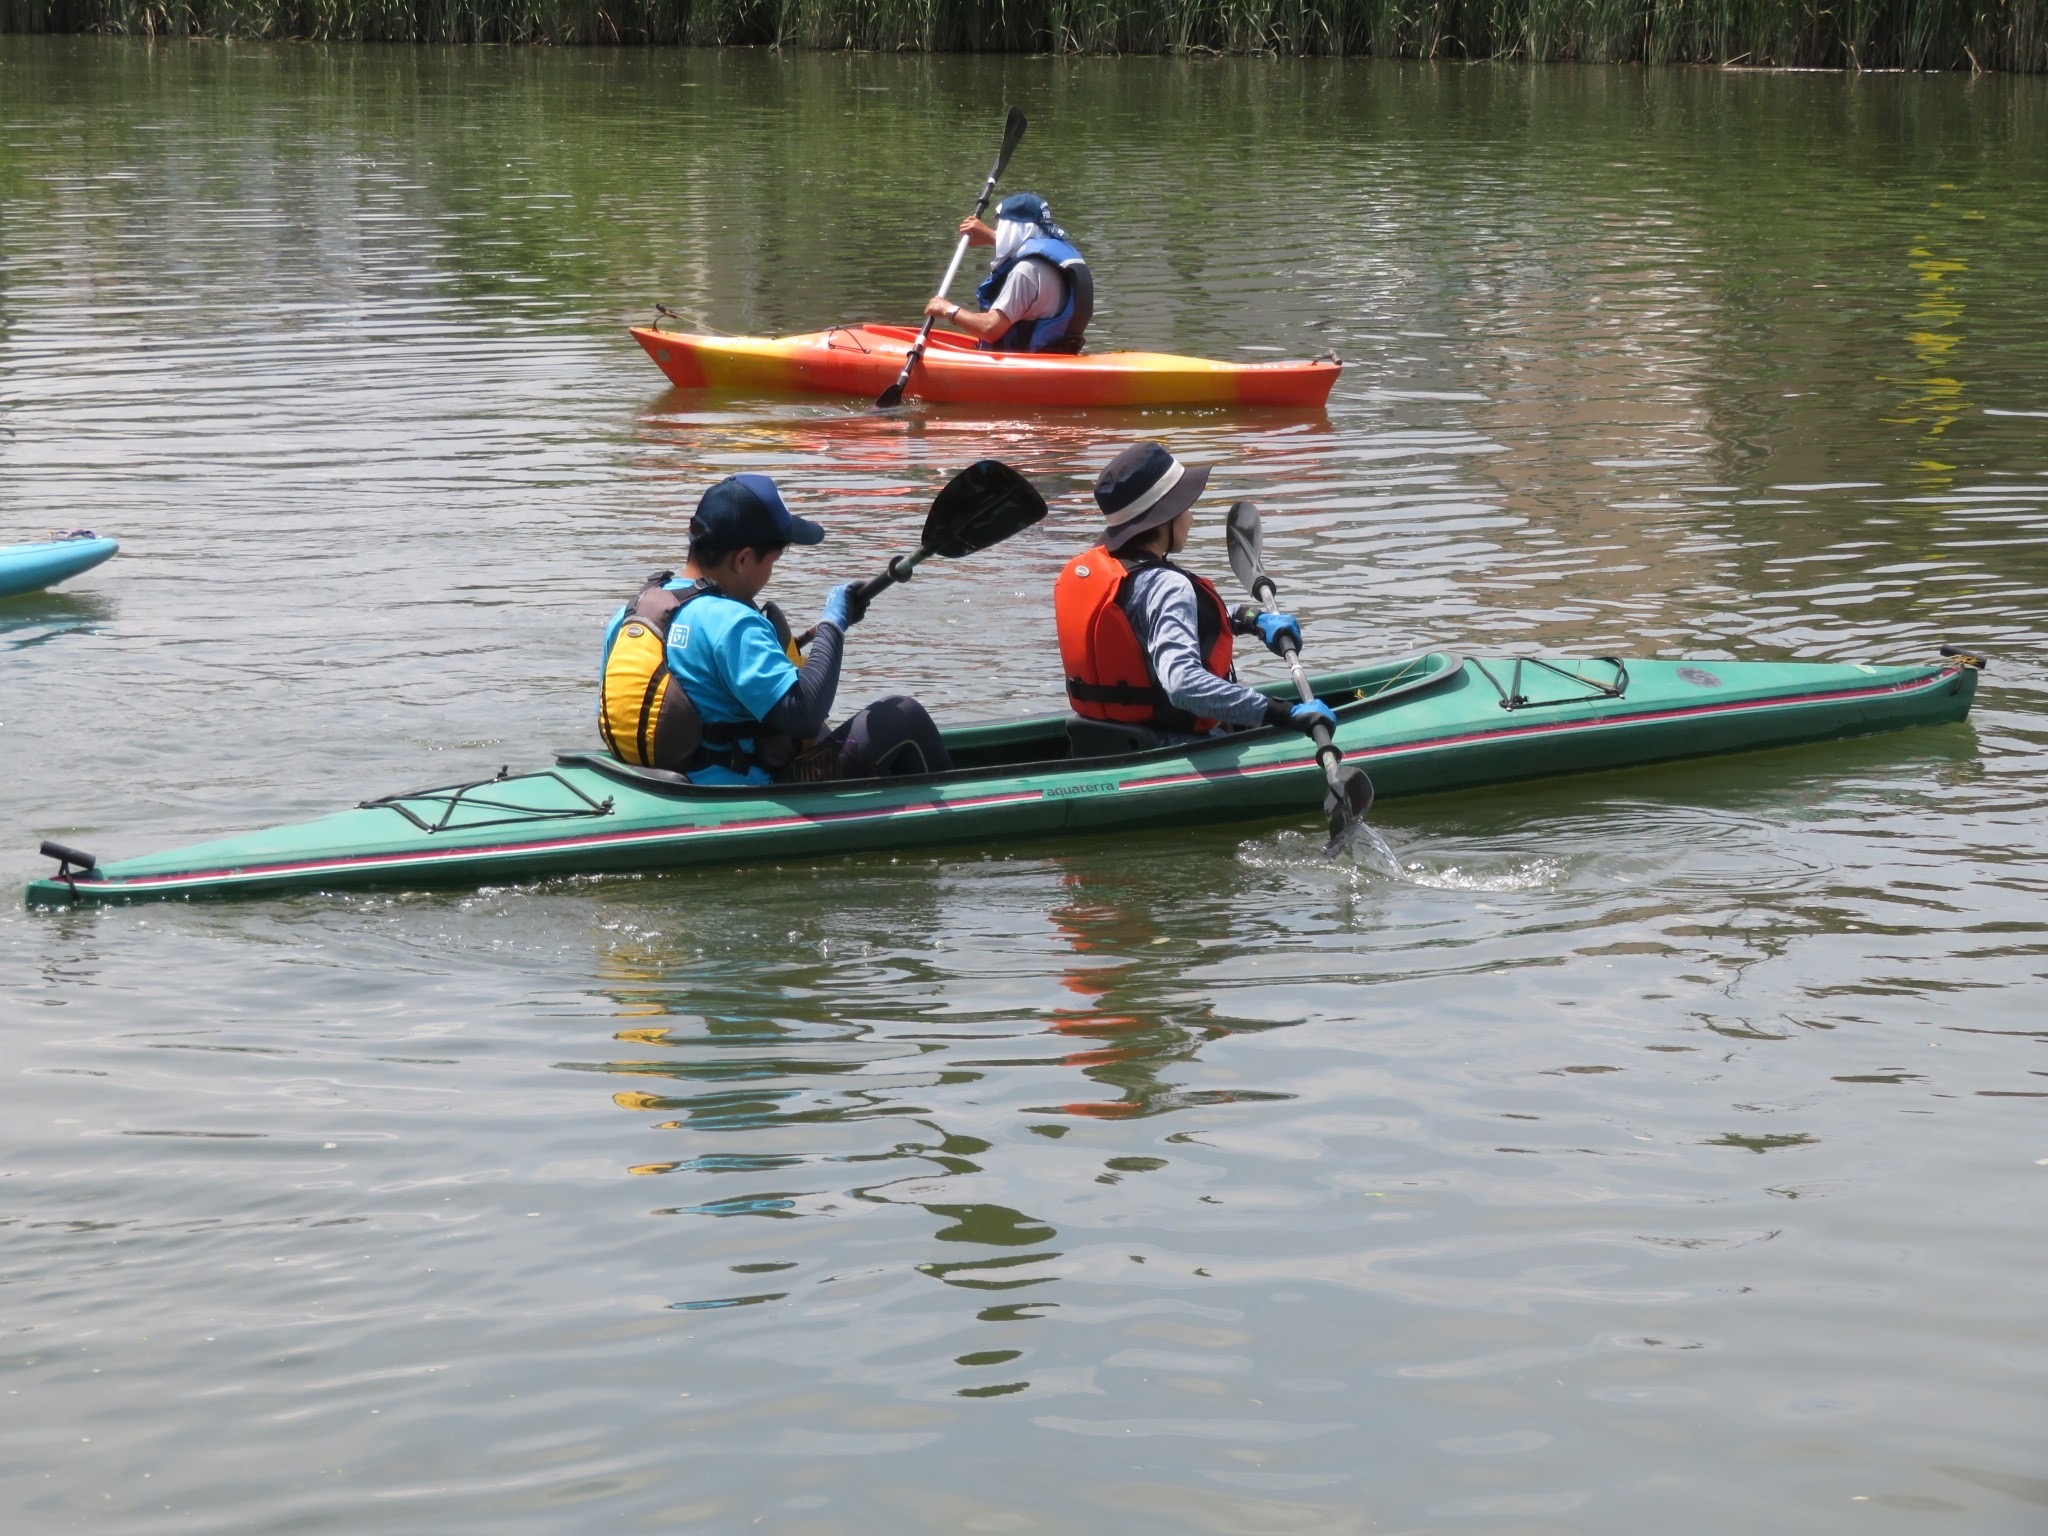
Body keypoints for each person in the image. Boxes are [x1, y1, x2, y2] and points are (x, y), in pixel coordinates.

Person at [599, 474, 952, 784]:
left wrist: (830, 630)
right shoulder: (733, 622)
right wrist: (833, 625)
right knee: (904, 716)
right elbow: (804, 713)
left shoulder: (636, 609)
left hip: (658, 779)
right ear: (742, 559)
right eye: (773, 560)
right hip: (732, 791)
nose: (771, 572)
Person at [1054, 442, 1337, 747]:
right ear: (1163, 518)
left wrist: (1248, 618)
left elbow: (1150, 621)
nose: (1191, 519)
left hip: (1101, 737)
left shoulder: (1117, 573)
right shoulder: (1167, 586)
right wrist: (1280, 712)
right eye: (1184, 507)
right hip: (1173, 744)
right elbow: (1183, 685)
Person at [923, 193, 1092, 355]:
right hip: (1057, 356)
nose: (998, 231)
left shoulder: (1025, 272)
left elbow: (990, 329)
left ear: (1011, 229)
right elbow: (1021, 241)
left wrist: (948, 309)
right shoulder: (1058, 256)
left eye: (1000, 227)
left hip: (1026, 368)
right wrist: (991, 236)